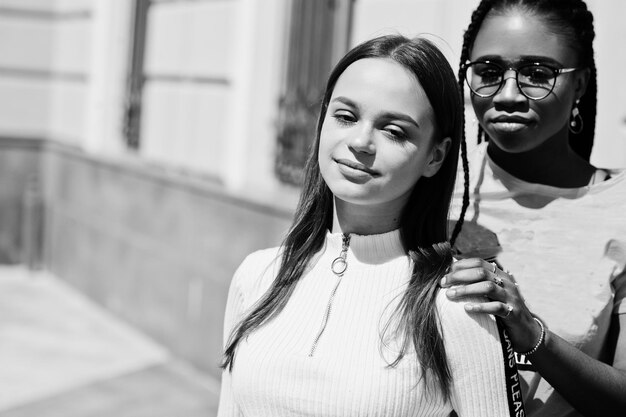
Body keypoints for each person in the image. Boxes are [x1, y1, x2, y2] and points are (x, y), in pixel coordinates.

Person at [217, 34, 524, 416]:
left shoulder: (454, 299)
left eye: (394, 131)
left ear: (435, 156)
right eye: (345, 116)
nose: (361, 141)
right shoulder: (257, 275)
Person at [444, 1, 626, 416]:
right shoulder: (428, 189)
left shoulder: (618, 210)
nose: (508, 95)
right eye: (488, 72)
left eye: (537, 74)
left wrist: (531, 333)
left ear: (579, 84)